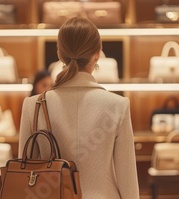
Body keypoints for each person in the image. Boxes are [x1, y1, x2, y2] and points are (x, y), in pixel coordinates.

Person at [18, 17, 139, 199]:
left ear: (59, 54)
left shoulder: (32, 106)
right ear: (97, 54)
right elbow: (127, 182)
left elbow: (25, 174)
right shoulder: (118, 106)